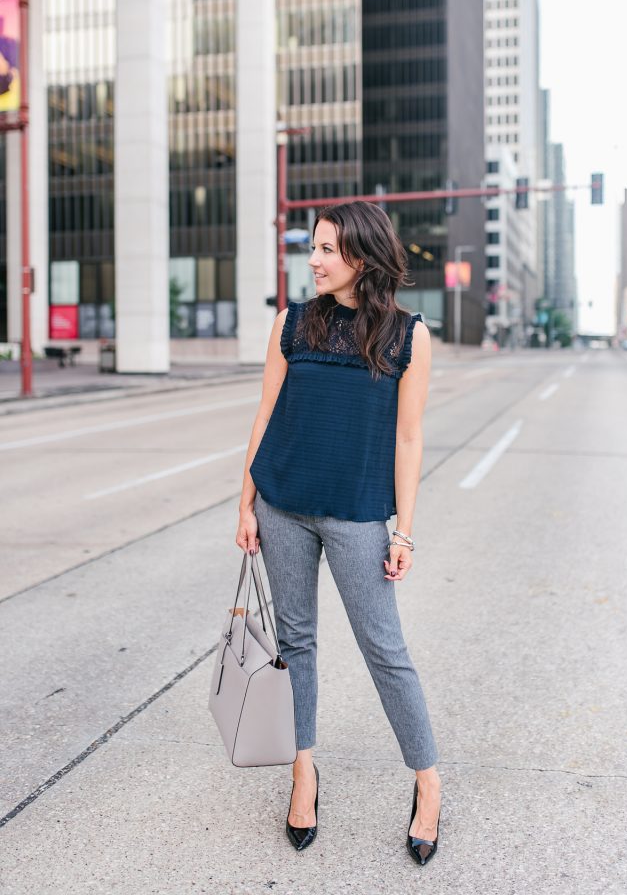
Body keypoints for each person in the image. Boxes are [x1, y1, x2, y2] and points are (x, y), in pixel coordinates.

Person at [235, 201, 441, 866]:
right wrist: (245, 503)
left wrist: (402, 532)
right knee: (295, 643)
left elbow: (408, 438)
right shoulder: (291, 324)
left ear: (362, 255)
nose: (314, 260)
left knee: (386, 651)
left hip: (355, 515)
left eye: (326, 249)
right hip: (282, 506)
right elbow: (264, 415)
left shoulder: (407, 335)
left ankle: (427, 785)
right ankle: (303, 773)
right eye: (312, 248)